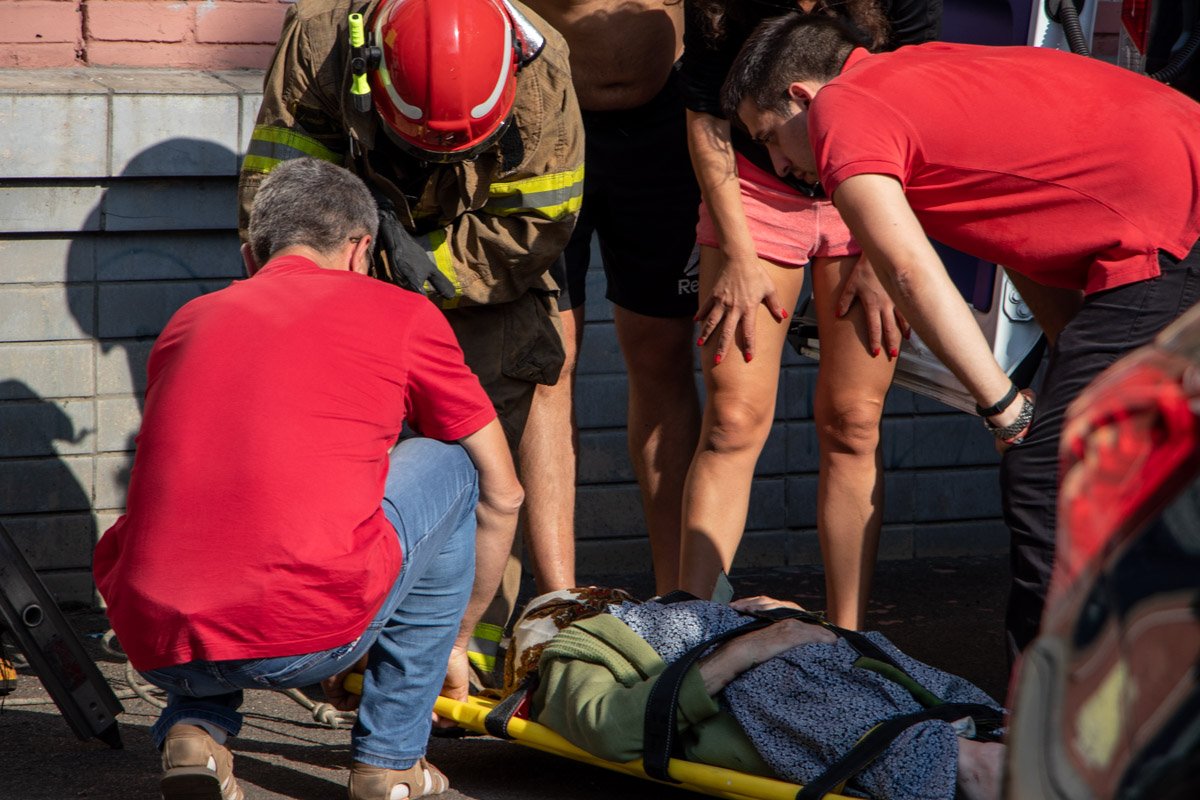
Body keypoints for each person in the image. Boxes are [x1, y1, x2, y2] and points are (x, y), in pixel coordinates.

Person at [721, 15, 1200, 659]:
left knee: (1045, 472)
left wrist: (1004, 410)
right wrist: (1063, 361)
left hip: (1169, 231)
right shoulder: (913, 72)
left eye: (770, 140)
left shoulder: (843, 111)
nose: (779, 165)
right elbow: (1022, 228)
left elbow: (909, 271)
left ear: (804, 96)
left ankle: (1042, 730)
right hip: (1172, 199)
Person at [94, 159, 523, 800]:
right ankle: (391, 759)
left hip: (157, 637)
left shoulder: (189, 320)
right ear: (360, 250)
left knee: (216, 500)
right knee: (454, 465)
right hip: (305, 634)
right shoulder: (403, 313)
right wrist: (458, 640)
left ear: (251, 254)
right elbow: (504, 489)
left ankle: (194, 728)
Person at [238, 0, 585, 683]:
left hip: (485, 273)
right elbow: (273, 198)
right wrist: (349, 279)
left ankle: (455, 651)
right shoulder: (321, 40)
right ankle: (342, 637)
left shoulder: (543, 68)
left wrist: (423, 277)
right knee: (340, 449)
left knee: (470, 461)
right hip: (343, 266)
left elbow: (536, 224)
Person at [676, 0, 941, 628]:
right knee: (733, 420)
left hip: (875, 184)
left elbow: (924, 105)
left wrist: (886, 255)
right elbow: (704, 115)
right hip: (756, 188)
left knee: (853, 422)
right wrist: (737, 252)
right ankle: (686, 633)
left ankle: (848, 638)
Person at [521, 0, 703, 593]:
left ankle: (677, 603)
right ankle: (558, 602)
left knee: (662, 356)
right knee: (550, 361)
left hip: (664, 130)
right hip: (543, 117)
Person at [509, 589, 1005, 800]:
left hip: (811, 672)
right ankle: (974, 757)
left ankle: (984, 744)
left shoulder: (629, 627)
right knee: (806, 690)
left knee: (882, 670)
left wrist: (783, 622)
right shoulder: (575, 652)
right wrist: (755, 645)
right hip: (775, 690)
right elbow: (609, 728)